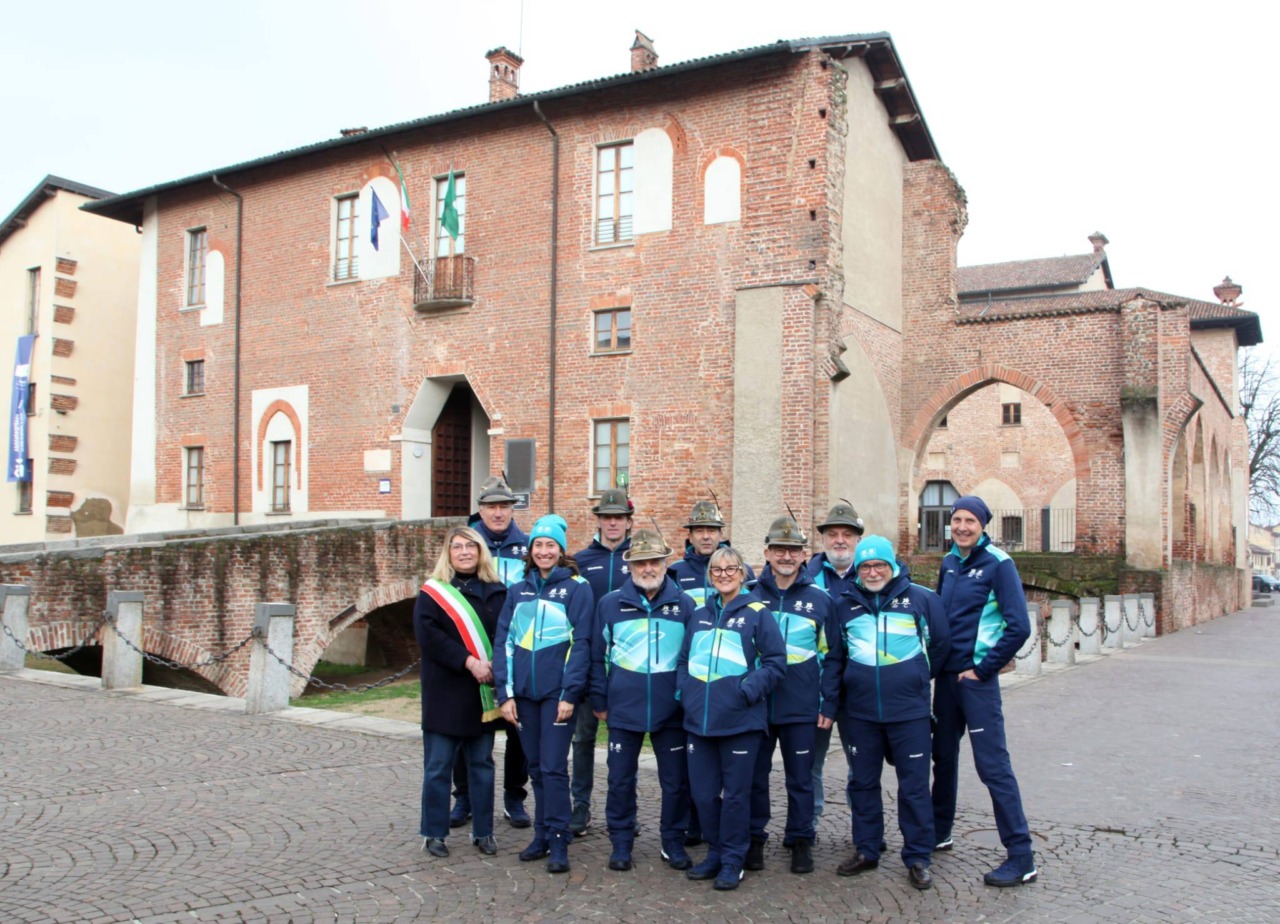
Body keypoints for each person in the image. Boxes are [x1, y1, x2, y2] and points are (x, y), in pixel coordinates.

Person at [822, 534, 949, 890]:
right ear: (858, 570)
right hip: (859, 713)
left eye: (879, 565)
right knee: (862, 784)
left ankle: (918, 856)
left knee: (913, 787)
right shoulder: (843, 604)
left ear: (892, 566)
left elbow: (940, 646)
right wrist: (831, 703)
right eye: (866, 566)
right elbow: (835, 657)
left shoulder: (922, 600)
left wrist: (913, 679)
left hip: (909, 712)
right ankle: (867, 849)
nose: (873, 571)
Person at [931, 495, 1038, 887]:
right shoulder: (948, 562)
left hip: (976, 684)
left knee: (992, 767)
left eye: (969, 521)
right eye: (956, 520)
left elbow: (1019, 626)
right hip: (946, 682)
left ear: (982, 525)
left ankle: (1021, 855)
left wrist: (983, 669)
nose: (961, 527)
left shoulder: (998, 564)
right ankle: (939, 832)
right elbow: (942, 619)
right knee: (942, 758)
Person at [677, 546, 785, 891]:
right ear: (711, 576)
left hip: (741, 723)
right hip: (700, 722)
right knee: (705, 795)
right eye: (717, 570)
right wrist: (687, 694)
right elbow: (683, 661)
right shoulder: (698, 615)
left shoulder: (757, 613)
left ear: (742, 573)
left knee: (737, 795)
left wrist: (747, 690)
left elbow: (775, 662)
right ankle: (715, 853)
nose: (723, 575)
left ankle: (734, 860)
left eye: (730, 569)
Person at [589, 528, 695, 872]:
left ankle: (672, 842)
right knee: (619, 779)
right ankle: (621, 843)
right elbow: (597, 657)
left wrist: (684, 698)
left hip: (672, 711)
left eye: (654, 561)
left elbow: (692, 657)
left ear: (665, 563)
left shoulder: (685, 605)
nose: (648, 568)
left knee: (676, 782)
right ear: (629, 566)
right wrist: (600, 700)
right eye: (640, 563)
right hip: (623, 709)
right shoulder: (609, 605)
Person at [494, 514, 595, 874]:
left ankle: (559, 838)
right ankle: (540, 833)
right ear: (531, 550)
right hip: (523, 696)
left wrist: (570, 693)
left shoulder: (577, 588)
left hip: (557, 696)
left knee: (553, 768)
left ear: (561, 550)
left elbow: (581, 643)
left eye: (550, 545)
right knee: (535, 767)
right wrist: (504, 694)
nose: (544, 550)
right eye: (538, 544)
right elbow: (503, 641)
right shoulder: (518, 590)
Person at [413, 526, 508, 858]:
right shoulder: (433, 593)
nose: (465, 552)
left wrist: (497, 663)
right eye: (458, 547)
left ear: (481, 551)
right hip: (446, 692)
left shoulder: (498, 591)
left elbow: (506, 633)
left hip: (483, 694)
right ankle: (434, 833)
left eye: (471, 546)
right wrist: (469, 662)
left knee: (482, 764)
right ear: (448, 553)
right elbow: (429, 637)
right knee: (438, 765)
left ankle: (483, 832)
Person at [747, 515, 833, 875]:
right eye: (779, 549)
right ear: (767, 553)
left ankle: (800, 839)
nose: (786, 555)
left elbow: (832, 656)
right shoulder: (749, 596)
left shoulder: (821, 600)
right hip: (758, 707)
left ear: (804, 555)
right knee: (755, 776)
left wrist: (827, 701)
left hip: (801, 705)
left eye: (793, 550)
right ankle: (754, 838)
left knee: (801, 777)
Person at [452, 476, 531, 830]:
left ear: (512, 509)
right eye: (491, 507)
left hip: (517, 652)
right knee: (467, 728)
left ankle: (515, 796)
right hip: (475, 652)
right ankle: (464, 796)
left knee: (518, 730)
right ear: (480, 510)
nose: (498, 513)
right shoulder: (465, 547)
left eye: (504, 506)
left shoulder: (529, 548)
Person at [569, 487, 635, 836]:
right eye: (607, 517)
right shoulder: (581, 560)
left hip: (625, 663)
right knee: (582, 738)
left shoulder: (640, 557)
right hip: (587, 661)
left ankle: (623, 808)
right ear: (598, 520)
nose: (612, 522)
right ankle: (580, 804)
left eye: (619, 517)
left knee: (623, 741)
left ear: (628, 521)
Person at [805, 500, 865, 823]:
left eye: (847, 534)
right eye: (832, 534)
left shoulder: (873, 573)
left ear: (858, 539)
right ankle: (810, 823)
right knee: (812, 762)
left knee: (860, 764)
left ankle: (862, 825)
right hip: (818, 688)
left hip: (856, 689)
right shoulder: (808, 577)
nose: (839, 540)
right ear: (823, 539)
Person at [669, 499, 757, 608]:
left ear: (720, 535)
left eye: (711, 530)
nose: (706, 537)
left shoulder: (741, 570)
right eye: (699, 531)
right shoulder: (675, 572)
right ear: (690, 537)